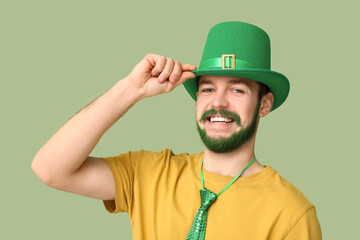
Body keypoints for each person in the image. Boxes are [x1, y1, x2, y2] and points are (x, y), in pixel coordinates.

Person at [32, 21, 322, 239]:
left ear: (264, 104)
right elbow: (50, 169)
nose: (217, 103)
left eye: (237, 89)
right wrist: (130, 90)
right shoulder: (149, 173)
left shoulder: (292, 213)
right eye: (207, 88)